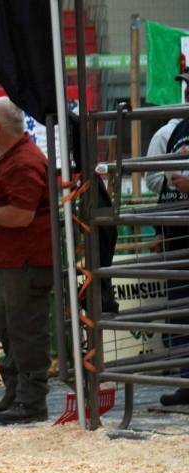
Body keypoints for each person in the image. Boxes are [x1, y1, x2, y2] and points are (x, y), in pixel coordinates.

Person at [0, 97, 54, 424]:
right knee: (9, 327)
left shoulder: (24, 161)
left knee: (26, 330)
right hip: (13, 261)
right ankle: (15, 394)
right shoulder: (8, 156)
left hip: (26, 261)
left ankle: (32, 401)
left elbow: (20, 215)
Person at [144, 69, 189, 406]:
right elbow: (152, 176)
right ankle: (185, 379)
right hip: (174, 226)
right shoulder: (172, 131)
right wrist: (172, 179)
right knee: (179, 303)